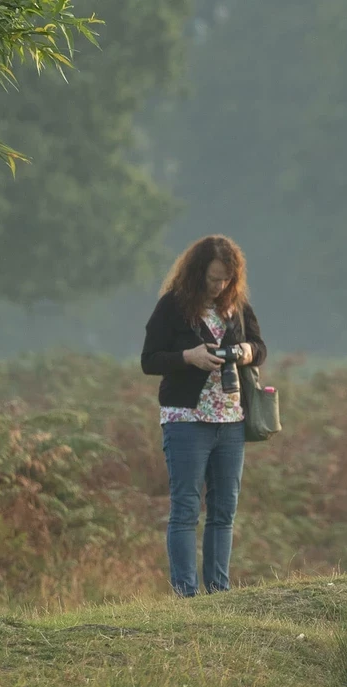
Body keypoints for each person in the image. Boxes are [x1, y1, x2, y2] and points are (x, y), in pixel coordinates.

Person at [141, 235, 267, 597]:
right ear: (197, 273)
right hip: (186, 420)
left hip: (231, 420)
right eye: (213, 278)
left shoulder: (237, 306)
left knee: (223, 510)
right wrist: (188, 357)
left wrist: (244, 351)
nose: (219, 285)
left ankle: (219, 593)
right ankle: (186, 594)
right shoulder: (173, 306)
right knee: (185, 509)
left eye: (226, 278)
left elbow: (260, 348)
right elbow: (149, 360)